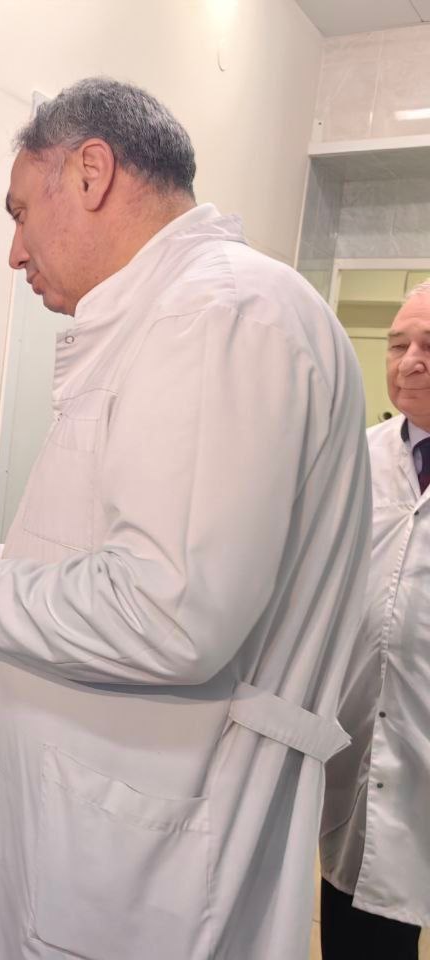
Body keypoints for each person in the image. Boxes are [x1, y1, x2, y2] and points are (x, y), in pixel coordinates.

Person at [0, 77, 371, 959]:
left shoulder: (215, 314)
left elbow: (168, 611)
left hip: (153, 855)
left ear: (90, 172)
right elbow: (131, 554)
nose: (14, 252)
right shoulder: (176, 316)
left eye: (18, 213)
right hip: (109, 826)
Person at [320, 281, 430, 958]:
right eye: (397, 345)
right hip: (361, 747)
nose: (409, 360)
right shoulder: (356, 459)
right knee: (362, 934)